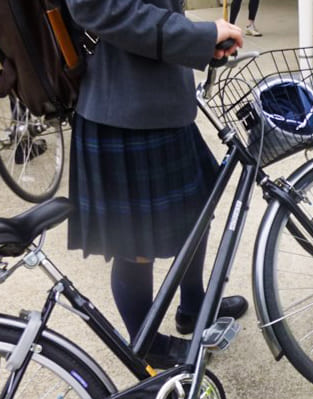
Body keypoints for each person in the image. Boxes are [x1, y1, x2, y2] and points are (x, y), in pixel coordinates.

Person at [65, 0, 247, 368]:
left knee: (198, 213)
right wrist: (198, 35)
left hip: (166, 100)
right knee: (135, 245)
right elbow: (94, 7)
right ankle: (145, 344)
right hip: (123, 109)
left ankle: (193, 307)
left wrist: (198, 43)